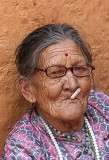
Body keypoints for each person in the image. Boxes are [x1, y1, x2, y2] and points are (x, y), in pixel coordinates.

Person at [1, 24, 109, 160]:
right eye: (56, 72)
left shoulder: (102, 105)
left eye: (79, 69)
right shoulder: (23, 148)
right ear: (28, 89)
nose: (73, 84)